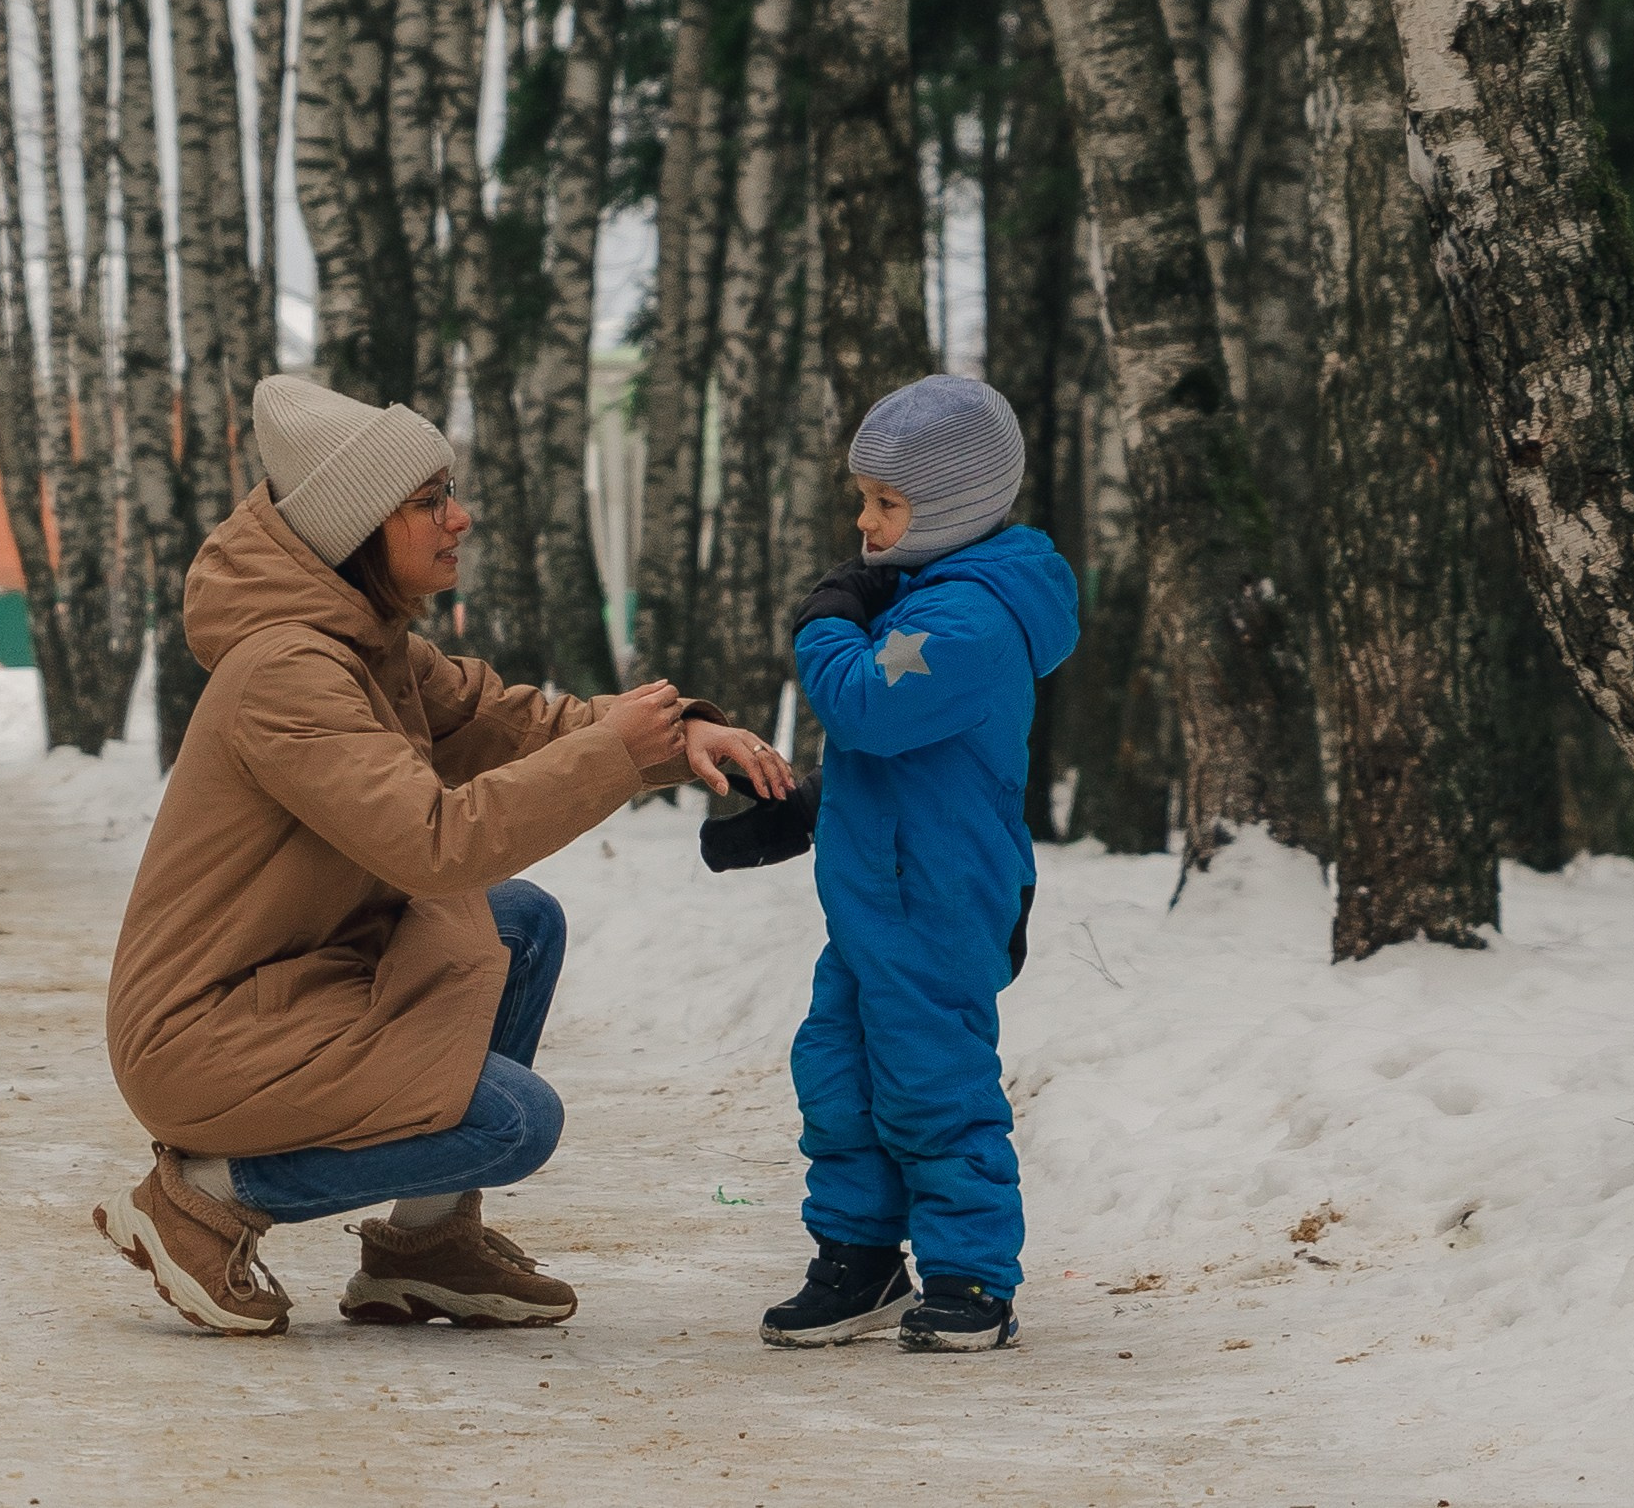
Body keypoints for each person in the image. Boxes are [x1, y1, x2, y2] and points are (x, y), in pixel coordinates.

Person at [95, 372, 792, 1339]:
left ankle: (426, 1249)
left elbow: (502, 721)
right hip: (207, 1033)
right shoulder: (288, 673)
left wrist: (676, 742)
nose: (458, 518)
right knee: (511, 1123)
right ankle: (203, 1201)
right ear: (356, 531)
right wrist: (611, 755)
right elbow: (434, 844)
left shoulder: (363, 642)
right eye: (427, 503)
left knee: (520, 924)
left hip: (292, 983)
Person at [710, 374, 1078, 1355]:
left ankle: (970, 1273)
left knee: (930, 1082)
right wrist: (814, 802)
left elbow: (869, 703)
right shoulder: (926, 597)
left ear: (954, 507)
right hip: (881, 895)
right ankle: (859, 1256)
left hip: (939, 900)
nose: (863, 524)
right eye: (862, 500)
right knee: (837, 1075)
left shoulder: (968, 617)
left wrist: (824, 616)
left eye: (886, 503)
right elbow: (904, 749)